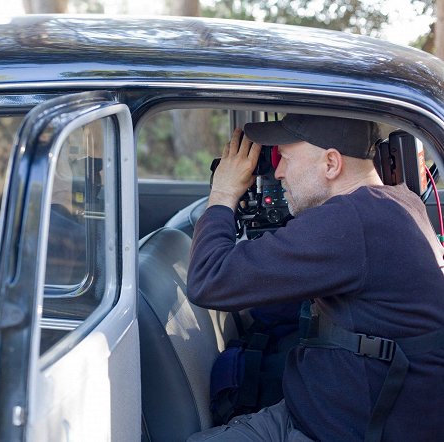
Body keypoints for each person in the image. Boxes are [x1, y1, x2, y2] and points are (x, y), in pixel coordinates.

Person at [187, 114, 444, 441]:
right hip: (321, 411)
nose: (278, 172)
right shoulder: (396, 200)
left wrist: (223, 194)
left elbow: (208, 279)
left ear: (331, 164)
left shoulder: (348, 221)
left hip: (327, 429)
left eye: (285, 158)